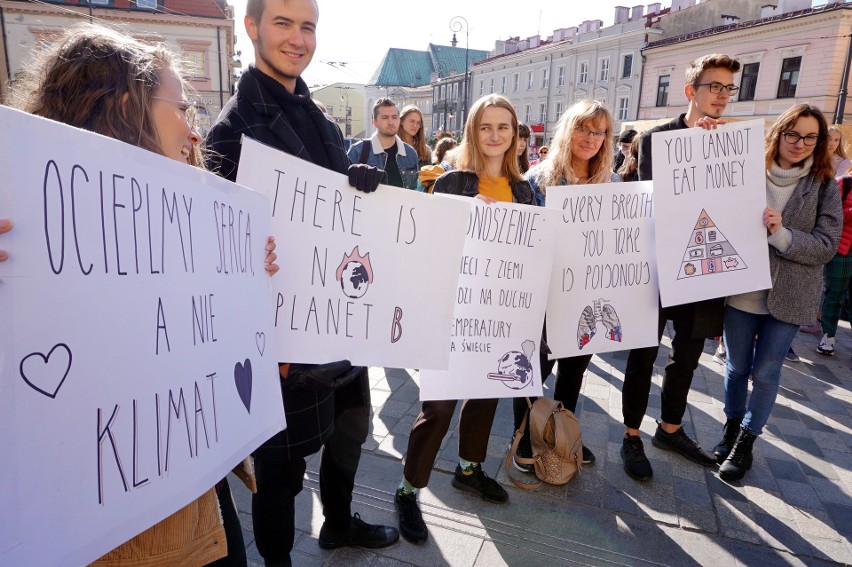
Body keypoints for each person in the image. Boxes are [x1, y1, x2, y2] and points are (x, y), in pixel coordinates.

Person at [9, 24, 281, 567]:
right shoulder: (19, 226)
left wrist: (249, 283)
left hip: (198, 501)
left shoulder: (195, 214)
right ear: (129, 105)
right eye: (183, 109)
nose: (195, 132)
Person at [204, 0, 399, 564]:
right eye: (283, 23)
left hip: (340, 320)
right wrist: (267, 350)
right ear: (252, 28)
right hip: (282, 342)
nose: (298, 38)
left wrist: (361, 185)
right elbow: (222, 255)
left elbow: (341, 220)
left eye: (307, 26)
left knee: (350, 433)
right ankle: (279, 560)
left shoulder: (318, 118)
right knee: (280, 469)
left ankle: (337, 523)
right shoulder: (232, 131)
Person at [394, 94, 534, 545]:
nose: (495, 136)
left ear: (515, 135)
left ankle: (469, 469)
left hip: (501, 312)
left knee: (486, 394)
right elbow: (429, 246)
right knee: (437, 407)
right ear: (473, 133)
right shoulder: (453, 182)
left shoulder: (526, 190)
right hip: (452, 311)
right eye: (485, 127)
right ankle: (409, 489)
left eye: (504, 128)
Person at [621, 53, 741, 482]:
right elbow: (660, 196)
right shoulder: (657, 139)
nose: (723, 96)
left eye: (729, 88)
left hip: (703, 268)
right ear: (691, 91)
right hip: (655, 267)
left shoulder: (734, 144)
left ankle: (670, 429)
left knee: (687, 356)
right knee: (642, 353)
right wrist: (699, 146)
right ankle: (631, 435)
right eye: (715, 86)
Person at [713, 104, 841, 481]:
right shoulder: (745, 172)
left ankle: (746, 443)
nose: (799, 143)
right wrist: (706, 132)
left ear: (818, 142)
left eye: (809, 137)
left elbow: (826, 245)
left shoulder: (824, 187)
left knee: (766, 372)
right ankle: (731, 428)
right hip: (741, 290)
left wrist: (781, 234)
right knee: (736, 369)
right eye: (793, 134)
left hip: (790, 293)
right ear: (779, 133)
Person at [511, 99, 619, 473]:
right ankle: (525, 436)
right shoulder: (537, 180)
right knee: (534, 369)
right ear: (568, 131)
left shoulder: (611, 183)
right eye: (585, 129)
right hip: (543, 294)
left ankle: (564, 435)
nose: (592, 138)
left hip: (586, 295)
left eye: (600, 132)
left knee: (574, 369)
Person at [815, 173, 852, 356]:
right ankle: (828, 336)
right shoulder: (843, 183)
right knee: (834, 294)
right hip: (841, 251)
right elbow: (830, 217)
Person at [348, 98, 419, 189]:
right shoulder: (358, 151)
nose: (390, 122)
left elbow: (414, 193)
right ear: (375, 122)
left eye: (394, 117)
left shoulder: (410, 154)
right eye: (385, 117)